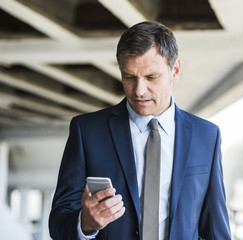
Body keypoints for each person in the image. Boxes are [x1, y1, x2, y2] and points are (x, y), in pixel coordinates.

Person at [49, 21, 231, 240]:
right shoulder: (87, 131)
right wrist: (85, 224)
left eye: (151, 77)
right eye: (129, 77)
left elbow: (216, 228)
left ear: (174, 71)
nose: (139, 90)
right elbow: (59, 221)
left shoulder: (207, 136)